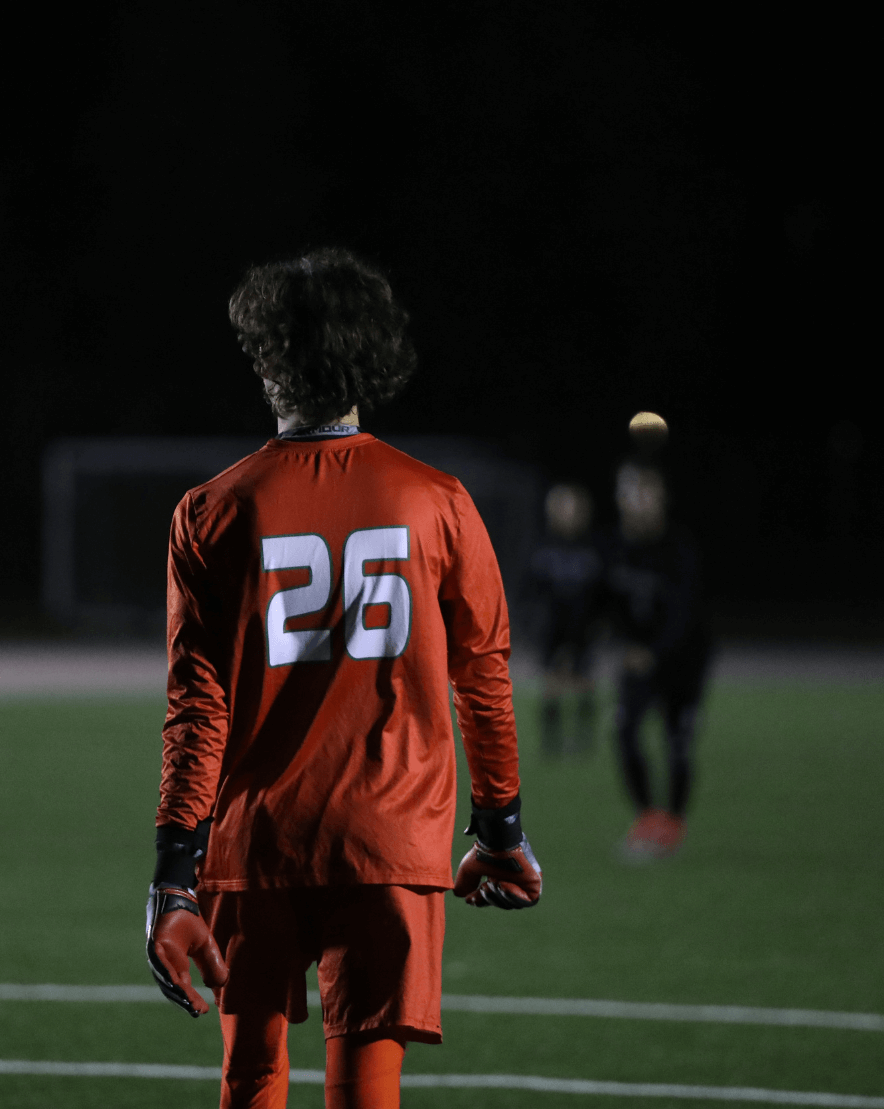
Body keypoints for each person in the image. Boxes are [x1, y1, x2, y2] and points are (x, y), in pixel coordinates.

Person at [144, 249, 541, 1109]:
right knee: (369, 1087)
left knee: (251, 1078)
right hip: (391, 841)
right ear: (373, 356)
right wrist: (500, 827)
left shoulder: (212, 511)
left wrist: (175, 872)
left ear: (265, 356)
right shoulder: (437, 500)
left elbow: (197, 709)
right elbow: (484, 679)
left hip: (255, 845)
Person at [605, 459, 711, 859]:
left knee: (678, 744)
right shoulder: (616, 548)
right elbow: (605, 603)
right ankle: (648, 817)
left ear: (661, 499)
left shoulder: (679, 548)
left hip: (683, 663)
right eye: (632, 494)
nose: (639, 503)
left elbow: (685, 614)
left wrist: (654, 652)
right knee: (624, 731)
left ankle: (673, 823)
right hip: (638, 661)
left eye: (647, 494)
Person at [528, 483, 605, 757]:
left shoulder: (592, 547)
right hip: (552, 626)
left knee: (584, 680)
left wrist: (599, 623)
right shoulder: (542, 547)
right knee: (552, 684)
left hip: (584, 627)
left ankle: (584, 743)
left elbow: (602, 591)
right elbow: (531, 590)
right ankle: (552, 744)